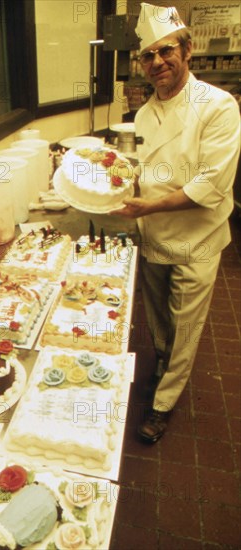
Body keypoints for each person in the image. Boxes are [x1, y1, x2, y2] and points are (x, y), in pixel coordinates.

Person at [112, 2, 240, 443]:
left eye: (165, 51)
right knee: (159, 319)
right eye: (147, 56)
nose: (157, 62)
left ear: (187, 51)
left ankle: (163, 401)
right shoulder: (145, 114)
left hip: (198, 239)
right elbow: (142, 172)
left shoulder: (217, 106)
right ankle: (163, 364)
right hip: (154, 236)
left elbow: (211, 185)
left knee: (185, 326)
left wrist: (145, 207)